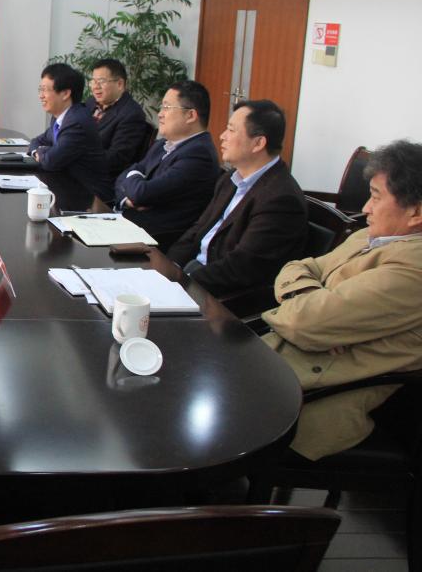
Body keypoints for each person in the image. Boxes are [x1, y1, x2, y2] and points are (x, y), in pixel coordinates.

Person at [261, 140, 422, 461]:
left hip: (312, 398)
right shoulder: (371, 237)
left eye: (376, 196)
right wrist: (313, 303)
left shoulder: (413, 267)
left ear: (416, 211)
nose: (365, 208)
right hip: (283, 361)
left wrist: (310, 315)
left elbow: (302, 322)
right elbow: (298, 266)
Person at [168, 99, 307, 296]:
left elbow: (240, 267)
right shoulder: (231, 178)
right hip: (195, 273)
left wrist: (180, 283)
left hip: (222, 296)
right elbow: (198, 229)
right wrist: (169, 267)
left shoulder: (281, 200)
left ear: (258, 143)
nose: (222, 136)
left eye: (231, 130)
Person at [114, 80, 219, 244]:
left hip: (153, 240)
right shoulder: (163, 144)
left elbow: (141, 193)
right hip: (127, 224)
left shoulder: (199, 155)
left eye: (167, 107)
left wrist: (134, 179)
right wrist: (127, 198)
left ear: (191, 115)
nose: (160, 114)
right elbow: (122, 178)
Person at [28, 63, 114, 203]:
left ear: (65, 94)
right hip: (67, 188)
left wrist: (42, 152)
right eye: (40, 90)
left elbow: (51, 161)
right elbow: (36, 141)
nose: (41, 96)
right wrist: (40, 151)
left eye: (45, 90)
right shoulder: (61, 117)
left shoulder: (77, 122)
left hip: (91, 199)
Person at [83, 59, 150, 178]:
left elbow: (117, 158)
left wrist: (76, 156)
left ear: (120, 84)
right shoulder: (91, 102)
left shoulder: (131, 114)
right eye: (93, 81)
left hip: (101, 177)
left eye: (101, 81)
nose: (95, 87)